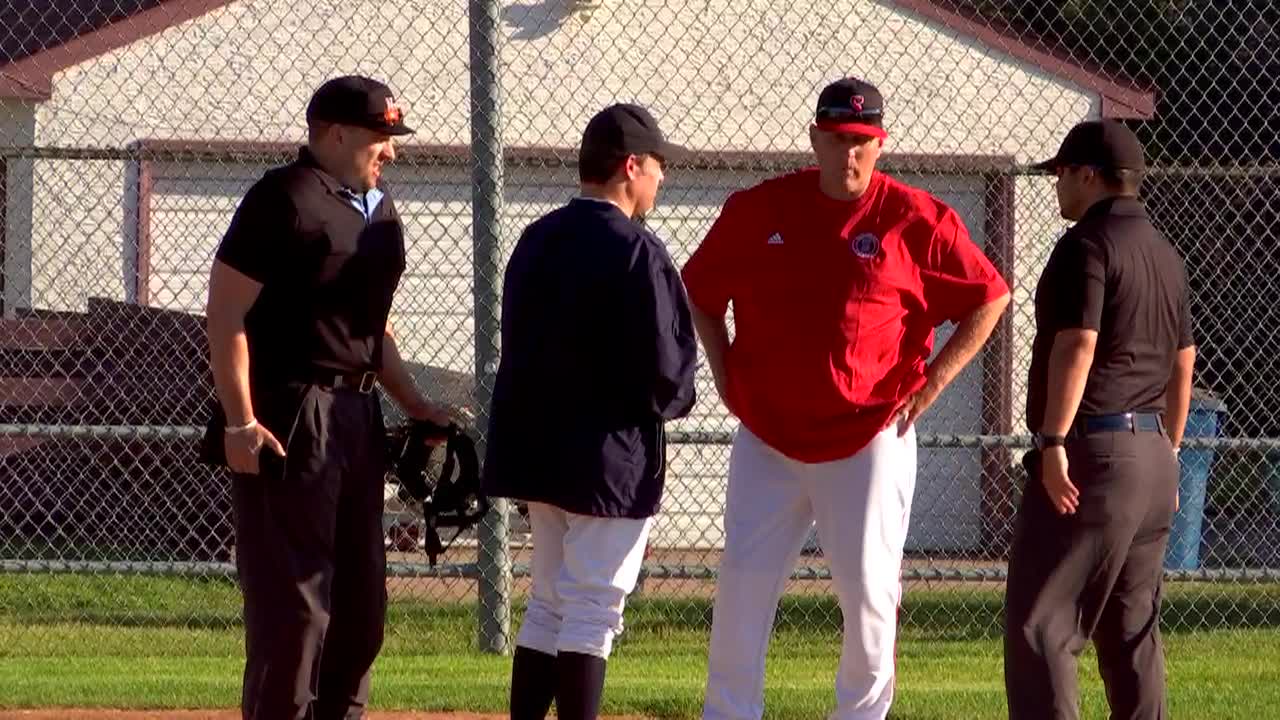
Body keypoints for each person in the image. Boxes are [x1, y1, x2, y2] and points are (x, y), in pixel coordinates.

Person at [680, 77, 1011, 720]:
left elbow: (989, 295)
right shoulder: (759, 209)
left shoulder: (917, 217)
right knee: (743, 585)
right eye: (837, 140)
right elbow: (699, 290)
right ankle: (728, 712)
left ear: (880, 144)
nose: (850, 154)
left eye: (862, 141)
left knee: (866, 595)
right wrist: (722, 371)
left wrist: (935, 380)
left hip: (867, 437)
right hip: (770, 437)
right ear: (815, 139)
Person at [203, 75, 454, 720]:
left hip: (358, 416)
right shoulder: (283, 198)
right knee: (296, 608)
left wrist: (416, 403)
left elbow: (375, 326)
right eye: (380, 136)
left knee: (361, 606)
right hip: (292, 414)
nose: (390, 151)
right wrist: (240, 421)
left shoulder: (378, 207)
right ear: (336, 134)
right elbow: (226, 313)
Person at [481, 103, 699, 720]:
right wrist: (675, 401)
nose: (661, 180)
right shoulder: (637, 249)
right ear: (630, 167)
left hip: (536, 449)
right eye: (657, 167)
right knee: (593, 606)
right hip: (608, 456)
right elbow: (667, 369)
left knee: (548, 599)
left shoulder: (537, 236)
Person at [1004, 119, 1196, 720]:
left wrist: (1055, 441)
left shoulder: (1086, 246)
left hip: (1092, 455)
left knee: (1044, 624)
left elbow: (1078, 343)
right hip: (1153, 460)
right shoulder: (1166, 255)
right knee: (1131, 630)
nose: (1058, 186)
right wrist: (1170, 445)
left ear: (1088, 175)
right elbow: (1182, 361)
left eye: (1061, 174)